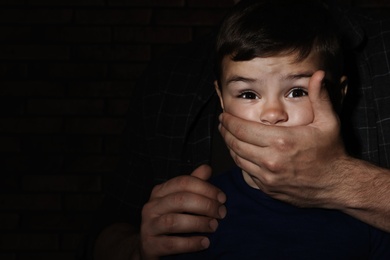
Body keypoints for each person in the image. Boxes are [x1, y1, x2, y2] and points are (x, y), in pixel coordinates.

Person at [88, 0, 390, 259]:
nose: (272, 114)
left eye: (297, 91)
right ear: (221, 97)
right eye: (248, 94)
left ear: (339, 93)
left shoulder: (381, 45)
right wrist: (141, 248)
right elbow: (108, 227)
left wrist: (340, 180)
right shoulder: (167, 79)